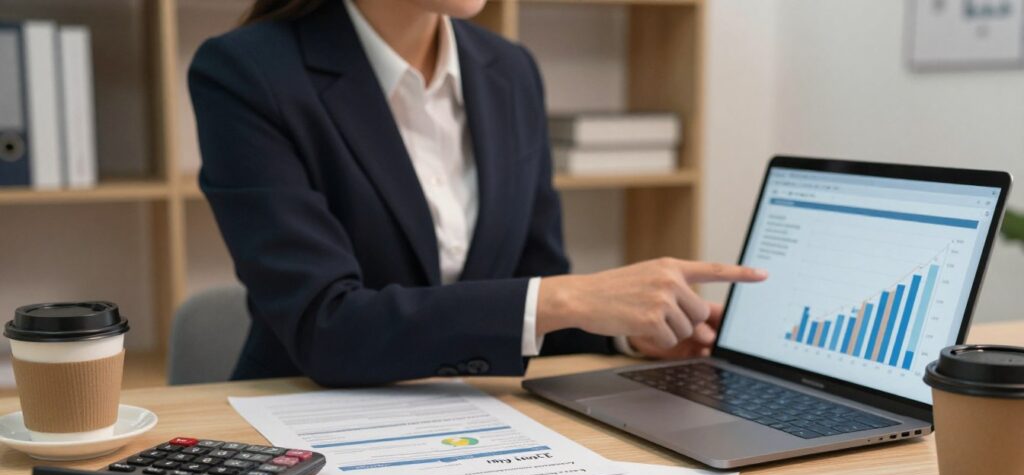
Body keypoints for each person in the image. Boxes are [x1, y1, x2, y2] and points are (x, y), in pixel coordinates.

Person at [188, 0, 767, 387]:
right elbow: (325, 326)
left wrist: (626, 328)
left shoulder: (510, 72)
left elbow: (532, 295)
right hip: (300, 424)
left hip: (475, 429)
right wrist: (564, 299)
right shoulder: (245, 73)